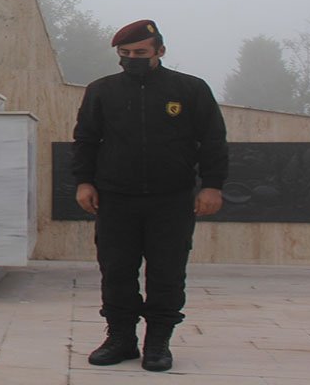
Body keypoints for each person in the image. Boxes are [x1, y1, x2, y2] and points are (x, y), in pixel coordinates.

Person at [71, 19, 227, 372]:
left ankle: (157, 342)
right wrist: (84, 181)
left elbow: (213, 140)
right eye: (124, 53)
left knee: (166, 271)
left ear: (160, 50)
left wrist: (212, 185)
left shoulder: (190, 89)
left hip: (171, 198)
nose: (132, 58)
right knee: (116, 270)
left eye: (140, 52)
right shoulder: (102, 90)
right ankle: (120, 338)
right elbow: (86, 140)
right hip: (115, 197)